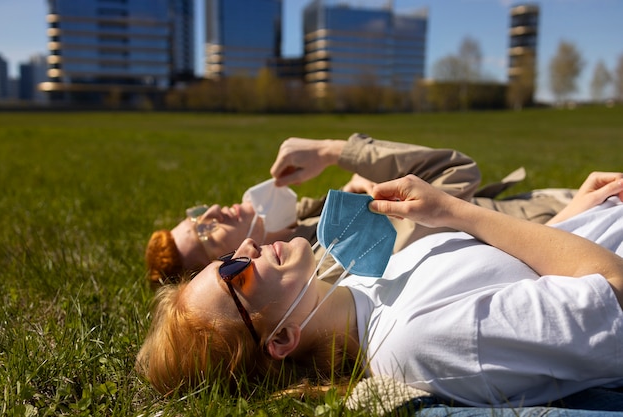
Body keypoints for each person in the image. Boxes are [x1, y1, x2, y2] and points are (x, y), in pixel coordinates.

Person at [136, 170, 623, 409]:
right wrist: (456, 212)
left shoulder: (362, 283)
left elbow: (516, 272)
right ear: (280, 340)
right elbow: (615, 291)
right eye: (235, 275)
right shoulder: (419, 340)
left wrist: (574, 217)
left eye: (229, 256)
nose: (248, 246)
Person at [145, 133, 573, 288]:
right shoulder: (334, 254)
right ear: (232, 269)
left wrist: (347, 189)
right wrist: (335, 151)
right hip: (564, 230)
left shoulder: (303, 227)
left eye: (197, 212)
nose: (214, 211)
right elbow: (456, 172)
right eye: (206, 232)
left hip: (550, 207)